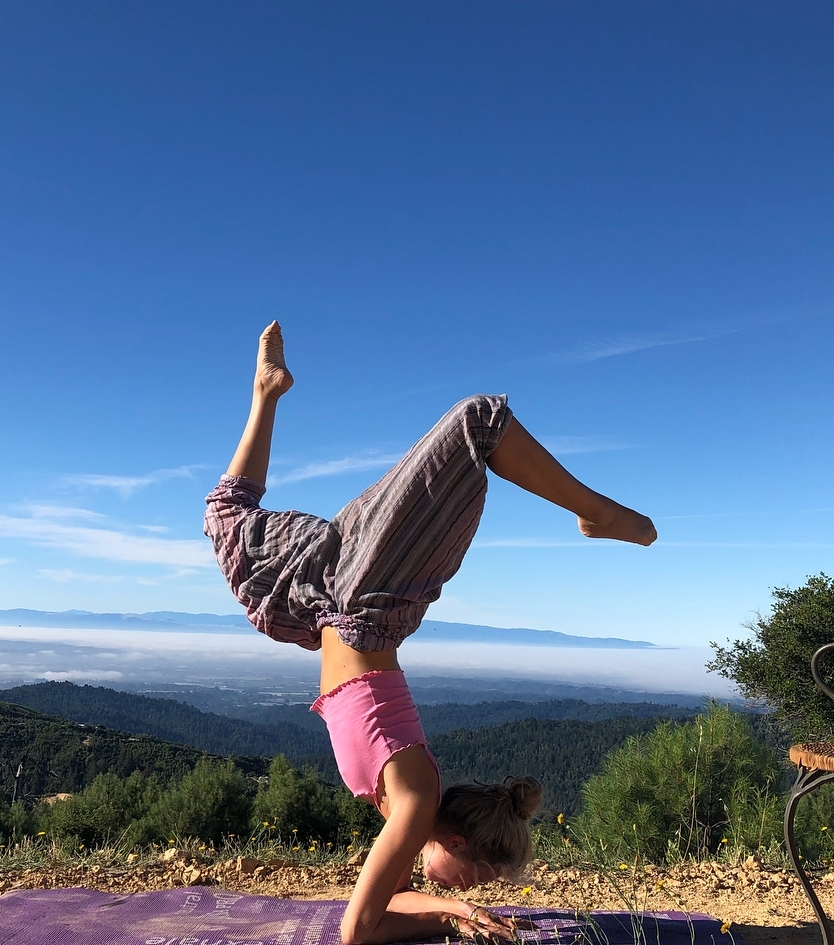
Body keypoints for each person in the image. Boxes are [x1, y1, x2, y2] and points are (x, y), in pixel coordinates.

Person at [204, 323, 656, 944]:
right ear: (459, 843)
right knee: (479, 423)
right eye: (471, 882)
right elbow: (359, 931)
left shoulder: (408, 808)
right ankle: (597, 512)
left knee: (226, 516)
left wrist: (455, 912)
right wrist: (453, 913)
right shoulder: (416, 804)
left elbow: (380, 906)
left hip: (323, 602)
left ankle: (267, 392)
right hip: (368, 600)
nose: (462, 890)